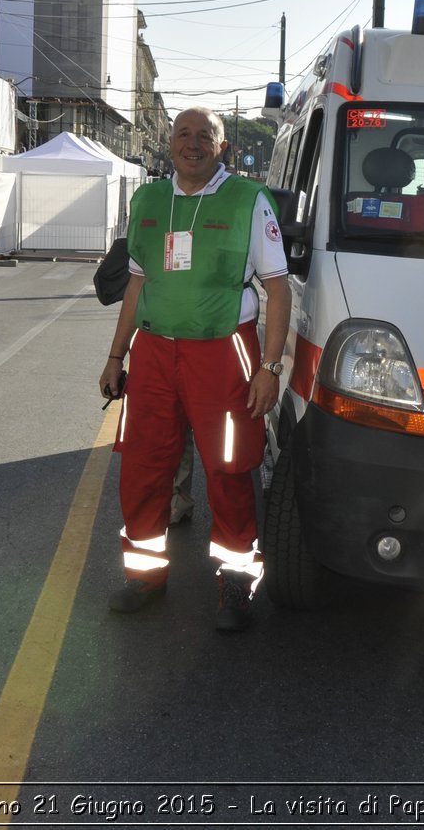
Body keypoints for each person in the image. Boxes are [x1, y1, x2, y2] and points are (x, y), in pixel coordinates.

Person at [98, 107, 290, 633]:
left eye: (205, 135)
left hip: (224, 355)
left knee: (229, 469)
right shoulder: (149, 199)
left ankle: (235, 583)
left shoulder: (249, 200)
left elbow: (277, 286)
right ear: (170, 144)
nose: (193, 143)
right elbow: (136, 285)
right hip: (156, 354)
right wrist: (117, 357)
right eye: (183, 134)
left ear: (222, 146)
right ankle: (145, 576)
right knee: (144, 466)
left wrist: (269, 368)